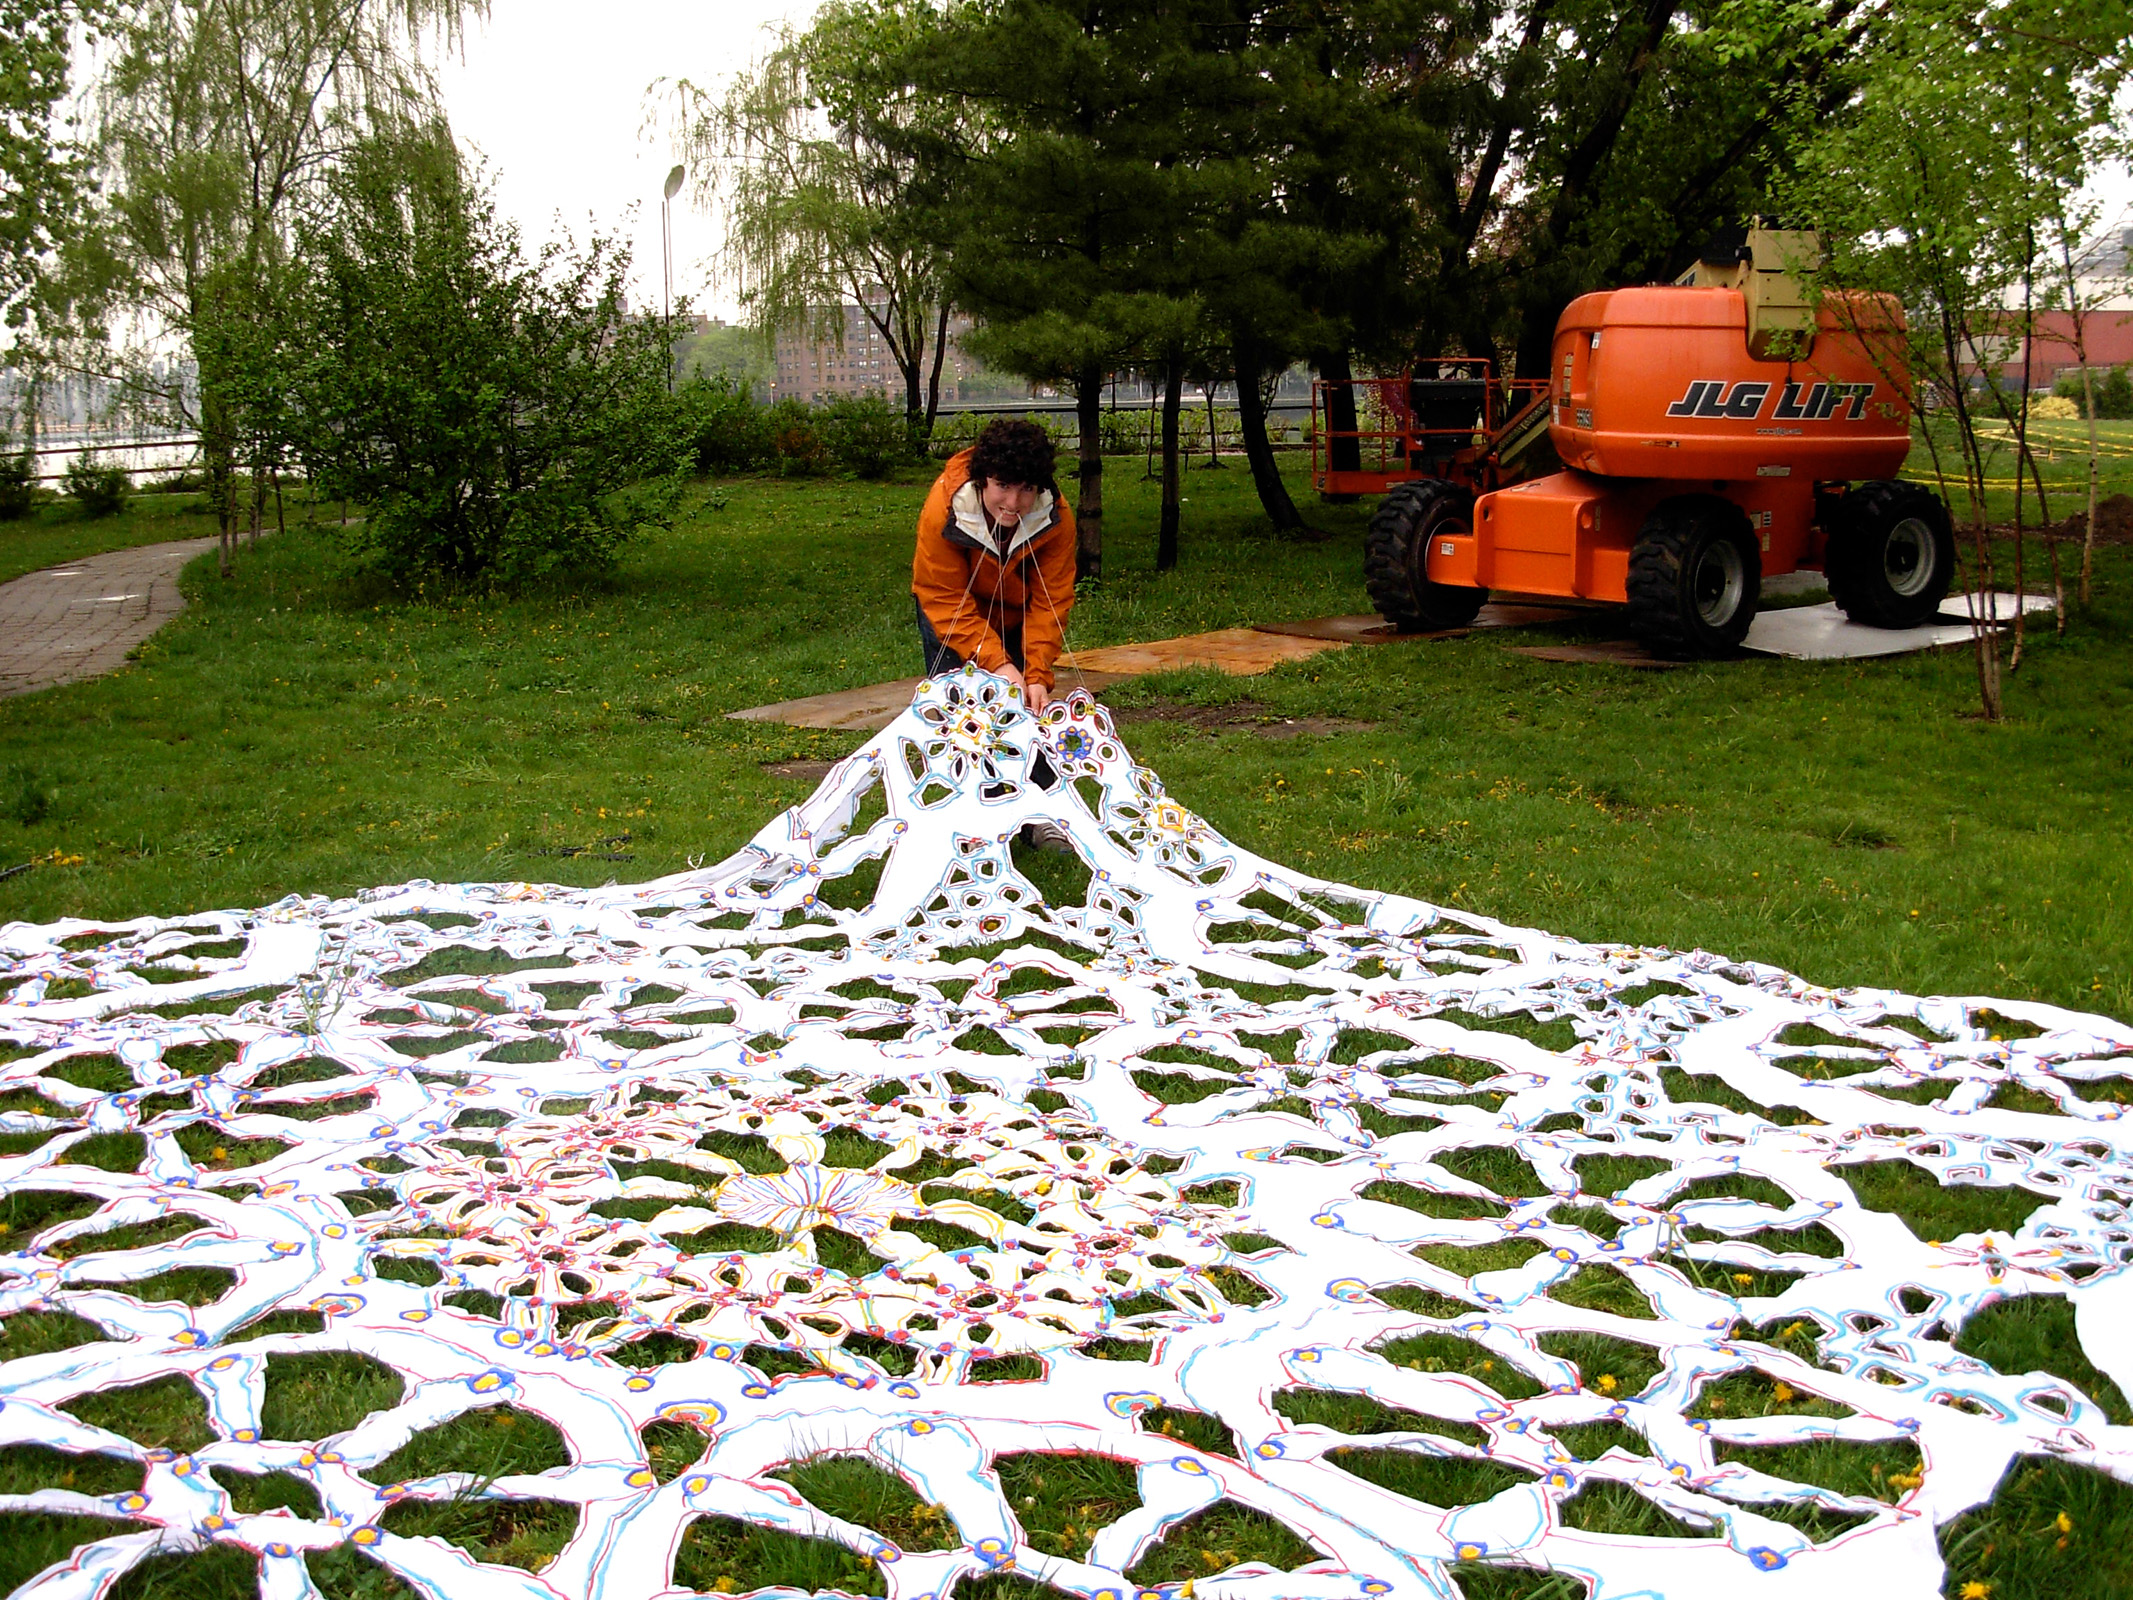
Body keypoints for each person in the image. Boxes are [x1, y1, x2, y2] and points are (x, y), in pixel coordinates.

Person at [911, 418, 1077, 712]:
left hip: (1016, 614)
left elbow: (1050, 601)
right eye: (1002, 485)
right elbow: (943, 597)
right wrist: (997, 663)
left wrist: (1036, 674)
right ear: (981, 479)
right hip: (952, 613)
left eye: (1026, 488)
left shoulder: (1056, 519)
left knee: (1017, 708)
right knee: (958, 712)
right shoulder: (944, 510)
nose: (1013, 503)